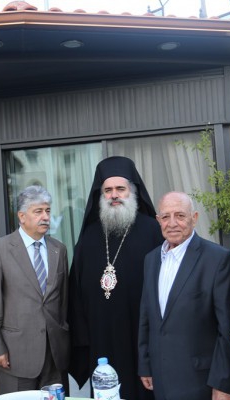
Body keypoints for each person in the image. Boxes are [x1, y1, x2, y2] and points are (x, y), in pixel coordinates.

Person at [69, 156, 164, 400]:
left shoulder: (153, 231)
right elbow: (75, 292)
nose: (114, 195)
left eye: (120, 189)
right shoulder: (89, 237)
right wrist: (82, 337)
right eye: (108, 190)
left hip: (141, 338)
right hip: (101, 338)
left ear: (132, 191)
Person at [138, 192, 230, 400]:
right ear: (158, 220)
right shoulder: (151, 260)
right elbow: (146, 316)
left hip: (203, 383)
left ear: (194, 218)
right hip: (161, 379)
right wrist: (145, 363)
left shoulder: (219, 260)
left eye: (180, 215)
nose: (172, 223)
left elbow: (227, 329)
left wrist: (225, 384)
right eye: (165, 217)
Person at [0, 185, 69, 394]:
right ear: (21, 216)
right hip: (15, 355)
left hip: (54, 354)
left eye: (47, 211)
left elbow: (63, 301)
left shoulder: (59, 249)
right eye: (38, 211)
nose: (45, 217)